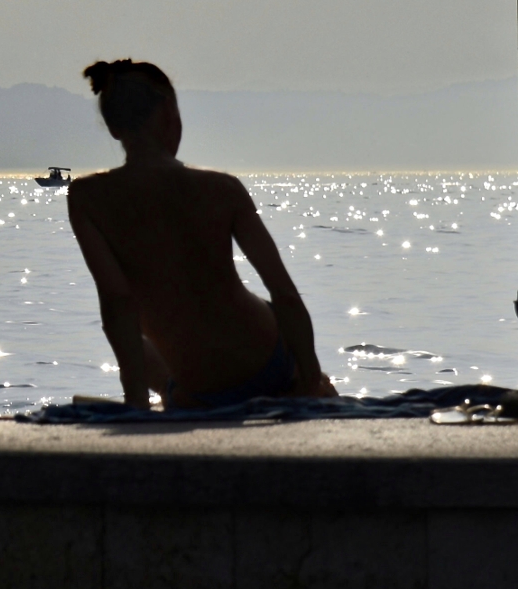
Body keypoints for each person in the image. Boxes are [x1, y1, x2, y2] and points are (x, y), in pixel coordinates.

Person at [66, 59, 337, 410]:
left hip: (200, 389)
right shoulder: (222, 188)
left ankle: (169, 393)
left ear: (114, 128)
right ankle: (308, 385)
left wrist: (135, 403)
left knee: (150, 351)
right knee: (296, 356)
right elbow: (283, 292)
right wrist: (311, 381)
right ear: (169, 112)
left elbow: (117, 304)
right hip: (269, 360)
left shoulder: (87, 198)